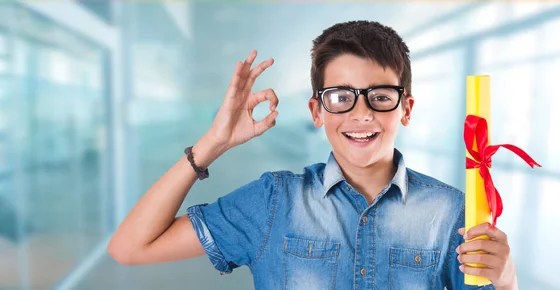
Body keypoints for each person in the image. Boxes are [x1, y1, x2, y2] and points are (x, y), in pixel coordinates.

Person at [107, 20, 517, 290]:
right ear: (317, 111)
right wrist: (211, 145)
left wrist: (507, 279)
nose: (361, 113)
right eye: (340, 96)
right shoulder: (272, 202)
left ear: (405, 108)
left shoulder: (452, 212)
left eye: (380, 96)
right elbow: (130, 247)